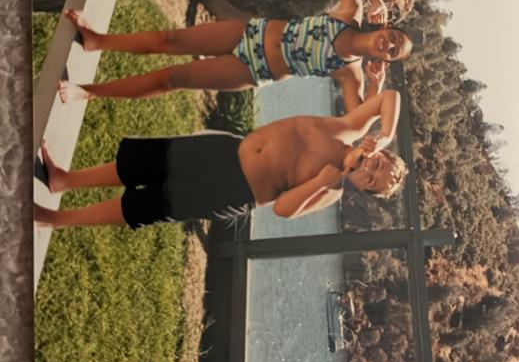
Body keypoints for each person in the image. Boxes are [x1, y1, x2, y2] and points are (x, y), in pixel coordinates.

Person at [58, 0, 412, 113]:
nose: (388, 43)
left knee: (172, 79)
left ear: (385, 59)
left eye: (392, 51)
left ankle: (87, 93)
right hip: (251, 33)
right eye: (394, 37)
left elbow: (356, 120)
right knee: (172, 40)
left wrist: (376, 86)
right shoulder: (350, 14)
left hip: (254, 69)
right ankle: (97, 41)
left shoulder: (350, 74)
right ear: (387, 27)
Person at [34, 86, 407, 231]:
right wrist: (385, 133)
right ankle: (64, 180)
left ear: (362, 189)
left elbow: (283, 210)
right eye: (379, 163)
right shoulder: (345, 128)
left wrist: (323, 181)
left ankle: (57, 219)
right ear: (380, 151)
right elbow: (389, 96)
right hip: (226, 151)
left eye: (371, 181)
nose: (369, 170)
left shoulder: (332, 190)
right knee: (146, 163)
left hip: (234, 191)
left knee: (150, 204)